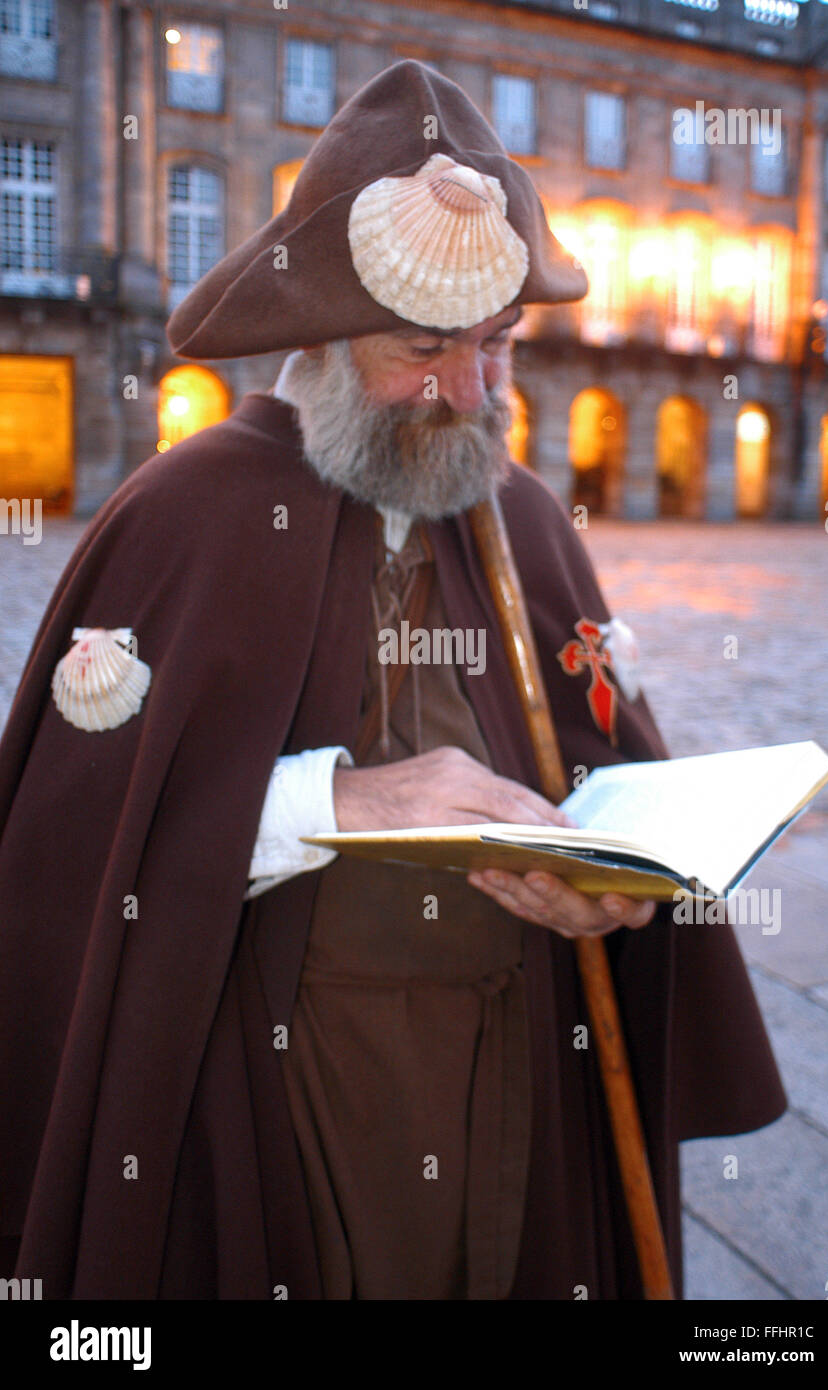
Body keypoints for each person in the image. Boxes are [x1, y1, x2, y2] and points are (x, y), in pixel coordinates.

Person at [0, 61, 786, 1301]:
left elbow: (607, 776)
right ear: (320, 333)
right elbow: (67, 851)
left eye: (500, 347)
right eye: (426, 348)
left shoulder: (523, 511)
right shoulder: (185, 511)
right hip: (281, 1096)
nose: (473, 393)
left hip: (525, 1075)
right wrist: (326, 802)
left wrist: (616, 890)